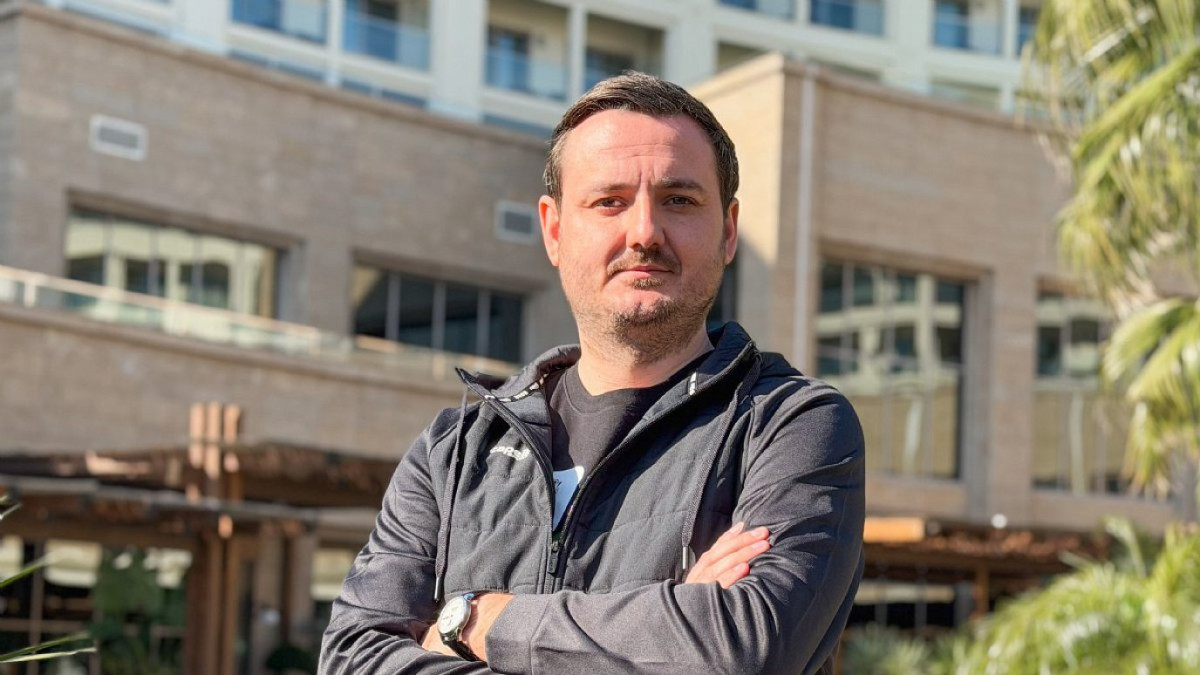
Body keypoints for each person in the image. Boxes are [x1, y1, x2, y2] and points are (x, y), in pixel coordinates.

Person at [319, 72, 865, 675]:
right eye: (610, 202)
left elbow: (743, 649)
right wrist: (669, 629)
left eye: (679, 201)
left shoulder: (789, 427)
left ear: (729, 230)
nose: (645, 232)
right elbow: (351, 658)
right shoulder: (453, 454)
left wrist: (474, 621)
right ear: (554, 230)